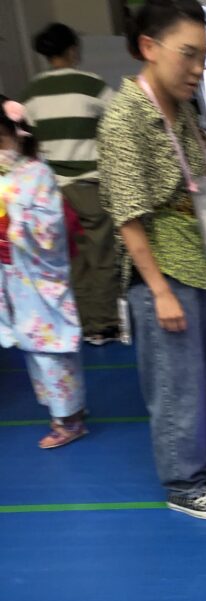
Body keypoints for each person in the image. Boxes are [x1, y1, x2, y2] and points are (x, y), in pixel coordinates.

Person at [98, 0, 206, 521]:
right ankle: (182, 483)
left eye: (203, 57)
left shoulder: (184, 111)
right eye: (188, 54)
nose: (197, 69)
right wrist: (159, 289)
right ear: (149, 47)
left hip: (197, 255)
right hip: (162, 264)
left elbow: (203, 192)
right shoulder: (126, 117)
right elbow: (128, 215)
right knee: (176, 384)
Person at [22, 22, 120, 346]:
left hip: (51, 191)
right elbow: (120, 123)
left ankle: (83, 323)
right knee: (103, 256)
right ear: (73, 50)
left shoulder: (31, 92)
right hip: (89, 185)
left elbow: (26, 141)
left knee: (72, 259)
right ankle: (105, 324)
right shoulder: (90, 84)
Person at [0, 98, 87, 449]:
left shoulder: (37, 172)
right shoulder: (7, 176)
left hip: (37, 274)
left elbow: (50, 227)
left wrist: (13, 219)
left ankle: (69, 419)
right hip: (13, 273)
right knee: (34, 346)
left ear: (17, 133)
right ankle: (66, 409)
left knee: (50, 346)